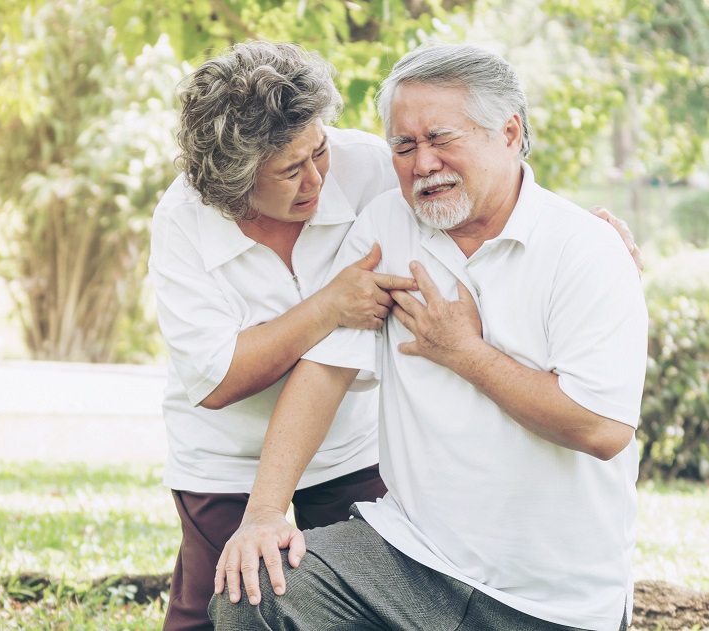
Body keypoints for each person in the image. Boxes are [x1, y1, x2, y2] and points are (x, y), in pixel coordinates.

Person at [150, 41, 641, 631]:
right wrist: (262, 514)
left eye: (440, 139)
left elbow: (602, 428)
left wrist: (468, 350)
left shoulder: (573, 248)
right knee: (241, 596)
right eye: (405, 146)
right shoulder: (384, 223)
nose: (421, 163)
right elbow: (300, 369)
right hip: (373, 535)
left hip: (552, 596)